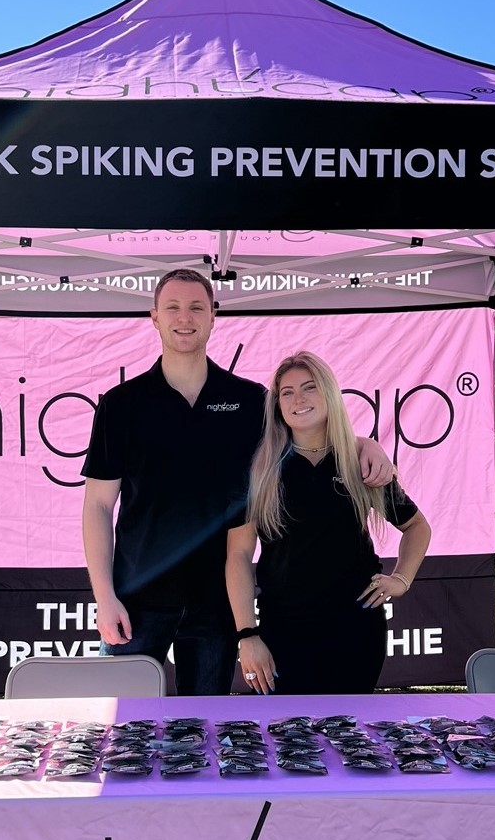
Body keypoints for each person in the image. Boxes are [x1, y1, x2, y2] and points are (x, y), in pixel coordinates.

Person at [82, 270, 394, 696]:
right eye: (173, 307)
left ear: (214, 315)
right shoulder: (121, 405)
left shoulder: (250, 402)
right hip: (136, 599)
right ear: (154, 317)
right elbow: (98, 506)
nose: (185, 317)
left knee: (204, 727)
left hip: (216, 604)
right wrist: (104, 597)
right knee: (124, 725)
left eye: (196, 307)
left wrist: (362, 444)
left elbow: (309, 433)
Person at [227, 350, 431, 696]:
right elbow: (238, 555)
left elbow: (417, 527)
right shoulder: (259, 470)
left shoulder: (360, 462)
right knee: (284, 728)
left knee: (349, 727)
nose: (299, 399)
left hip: (355, 630)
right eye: (287, 392)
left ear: (329, 393)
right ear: (277, 405)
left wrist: (402, 578)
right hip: (282, 632)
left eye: (309, 387)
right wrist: (247, 636)